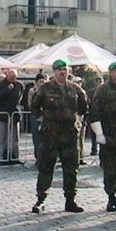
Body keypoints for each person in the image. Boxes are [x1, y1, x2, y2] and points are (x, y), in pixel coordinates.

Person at [31, 59, 88, 214]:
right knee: (45, 167)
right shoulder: (45, 88)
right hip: (50, 135)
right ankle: (41, 199)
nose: (62, 72)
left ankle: (70, 200)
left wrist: (77, 119)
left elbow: (84, 107)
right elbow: (34, 105)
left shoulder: (75, 89)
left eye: (65, 69)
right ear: (54, 72)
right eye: (59, 70)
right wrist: (41, 118)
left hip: (69, 135)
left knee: (71, 169)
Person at [88, 60, 116, 212]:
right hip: (110, 136)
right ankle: (111, 198)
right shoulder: (102, 90)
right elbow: (95, 113)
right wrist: (99, 133)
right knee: (110, 170)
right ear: (110, 73)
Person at [0, 68, 23, 165]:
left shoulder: (19, 85)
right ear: (7, 76)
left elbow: (19, 98)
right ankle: (3, 157)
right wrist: (7, 90)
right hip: (3, 115)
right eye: (10, 77)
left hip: (15, 115)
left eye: (14, 77)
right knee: (2, 138)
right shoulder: (0, 84)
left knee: (15, 138)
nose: (12, 79)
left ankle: (15, 156)